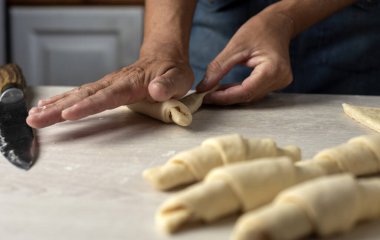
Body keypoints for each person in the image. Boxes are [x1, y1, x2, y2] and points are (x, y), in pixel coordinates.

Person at [26, 0, 380, 129]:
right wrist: (162, 48)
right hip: (216, 23)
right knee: (200, 107)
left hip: (346, 31)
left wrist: (286, 17)